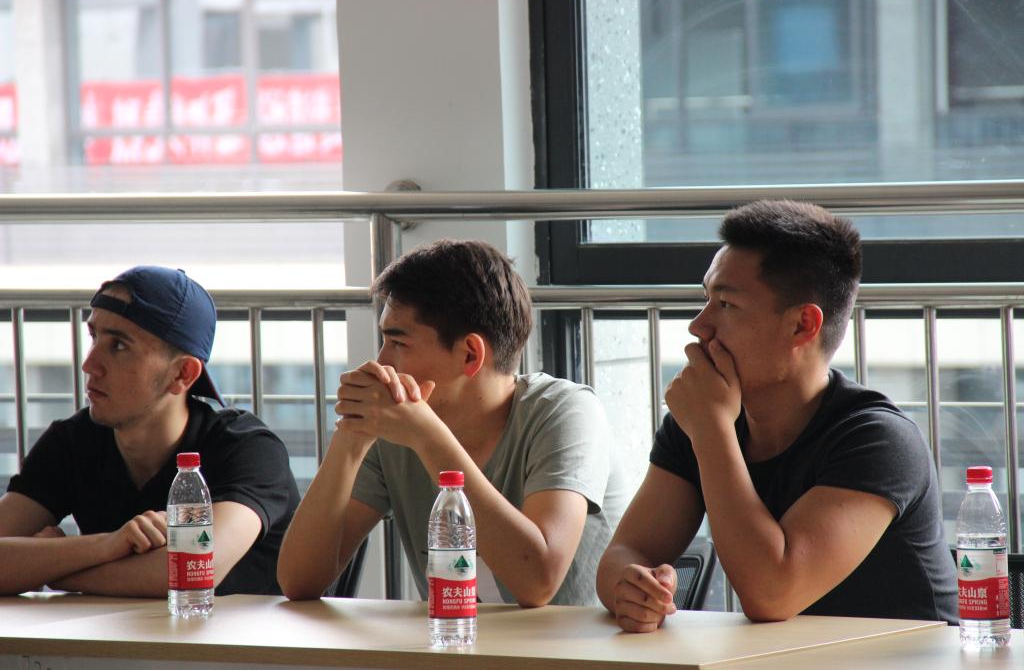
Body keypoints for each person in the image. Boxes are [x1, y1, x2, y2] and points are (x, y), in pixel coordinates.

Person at [597, 200, 957, 630]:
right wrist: (632, 588)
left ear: (802, 325)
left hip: (905, 659)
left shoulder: (879, 440)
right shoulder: (702, 422)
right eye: (705, 298)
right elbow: (625, 554)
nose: (698, 325)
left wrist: (711, 429)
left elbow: (773, 593)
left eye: (726, 304)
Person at [279, 239, 627, 607]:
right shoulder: (396, 430)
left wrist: (428, 437)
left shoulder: (565, 412)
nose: (381, 362)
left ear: (470, 354)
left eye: (398, 343)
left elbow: (537, 582)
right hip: (453, 641)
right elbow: (299, 581)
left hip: (573, 643)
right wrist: (351, 437)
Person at [0, 266, 299, 596]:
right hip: (125, 630)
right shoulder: (72, 441)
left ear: (182, 374)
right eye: (94, 337)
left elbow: (192, 570)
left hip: (248, 631)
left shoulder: (247, 448)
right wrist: (106, 545)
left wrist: (54, 571)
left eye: (119, 346)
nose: (89, 364)